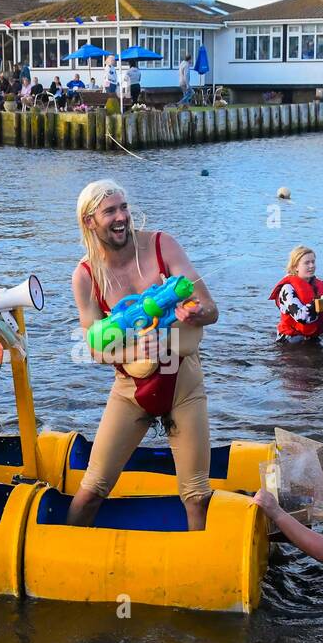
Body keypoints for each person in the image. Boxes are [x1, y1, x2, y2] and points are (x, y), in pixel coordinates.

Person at [68, 180, 218, 531]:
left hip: (183, 382)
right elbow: (93, 348)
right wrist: (135, 348)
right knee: (92, 490)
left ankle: (203, 573)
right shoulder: (85, 276)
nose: (122, 217)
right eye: (110, 212)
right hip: (131, 389)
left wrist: (196, 312)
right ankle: (58, 554)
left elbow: (212, 309)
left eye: (124, 207)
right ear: (90, 221)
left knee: (196, 495)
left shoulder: (162, 245)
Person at [269, 246, 323, 343]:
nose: (311, 266)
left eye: (313, 262)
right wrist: (320, 300)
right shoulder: (287, 289)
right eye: (307, 263)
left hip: (312, 338)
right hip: (290, 340)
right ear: (295, 267)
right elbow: (302, 317)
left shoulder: (319, 286)